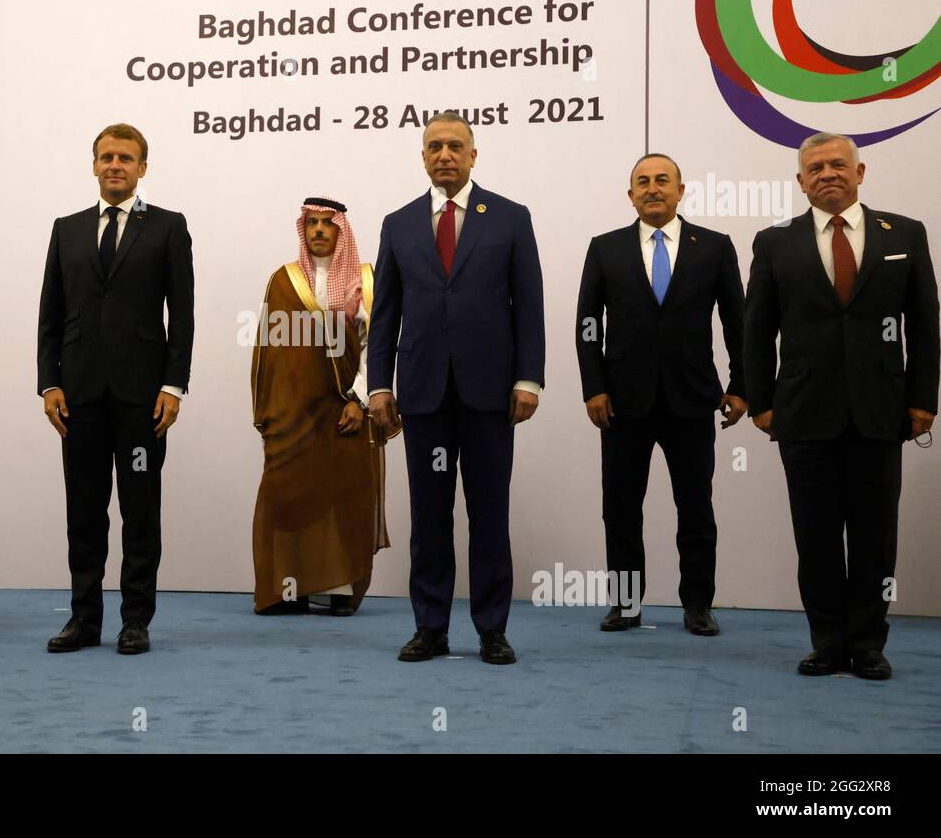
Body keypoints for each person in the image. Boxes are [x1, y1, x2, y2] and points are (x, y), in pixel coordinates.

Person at [744, 132, 938, 680]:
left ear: (860, 172)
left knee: (877, 536)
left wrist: (923, 399)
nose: (827, 174)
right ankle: (827, 641)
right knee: (817, 535)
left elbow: (925, 324)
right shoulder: (774, 242)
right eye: (815, 168)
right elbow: (756, 330)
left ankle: (869, 643)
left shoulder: (904, 234)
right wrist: (761, 402)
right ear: (800, 182)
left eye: (837, 165)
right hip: (802, 413)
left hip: (882, 410)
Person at [368, 111, 545, 664]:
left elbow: (529, 304)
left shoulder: (511, 218)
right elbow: (385, 315)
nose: (444, 154)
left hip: (491, 393)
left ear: (474, 155)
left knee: (490, 513)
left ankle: (492, 629)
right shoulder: (398, 224)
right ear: (423, 157)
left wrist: (528, 377)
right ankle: (431, 628)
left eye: (455, 146)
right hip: (422, 394)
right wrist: (378, 387)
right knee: (429, 516)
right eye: (434, 146)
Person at [38, 123, 194, 655]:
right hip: (77, 397)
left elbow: (184, 316)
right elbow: (50, 315)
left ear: (143, 168)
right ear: (94, 164)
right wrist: (49, 382)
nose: (115, 165)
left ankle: (135, 620)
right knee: (83, 511)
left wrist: (174, 386)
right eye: (106, 157)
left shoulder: (169, 228)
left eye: (126, 158)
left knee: (139, 509)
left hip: (142, 398)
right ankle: (83, 620)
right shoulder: (67, 229)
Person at [575, 154, 747, 636]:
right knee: (621, 508)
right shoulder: (604, 248)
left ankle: (697, 605)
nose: (653, 188)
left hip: (693, 400)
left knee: (696, 507)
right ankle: (625, 604)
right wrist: (594, 387)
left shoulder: (713, 247)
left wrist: (741, 385)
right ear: (630, 194)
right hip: (622, 403)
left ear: (680, 190)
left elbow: (738, 323)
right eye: (643, 182)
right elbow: (589, 326)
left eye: (662, 181)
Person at [250, 197, 391, 616]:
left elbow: (375, 347)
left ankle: (340, 589)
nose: (318, 231)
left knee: (344, 496)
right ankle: (288, 591)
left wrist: (359, 400)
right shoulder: (285, 280)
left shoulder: (365, 280)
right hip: (295, 413)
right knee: (291, 496)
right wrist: (273, 411)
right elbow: (269, 350)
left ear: (341, 230)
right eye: (311, 223)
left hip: (347, 410)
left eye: (327, 224)